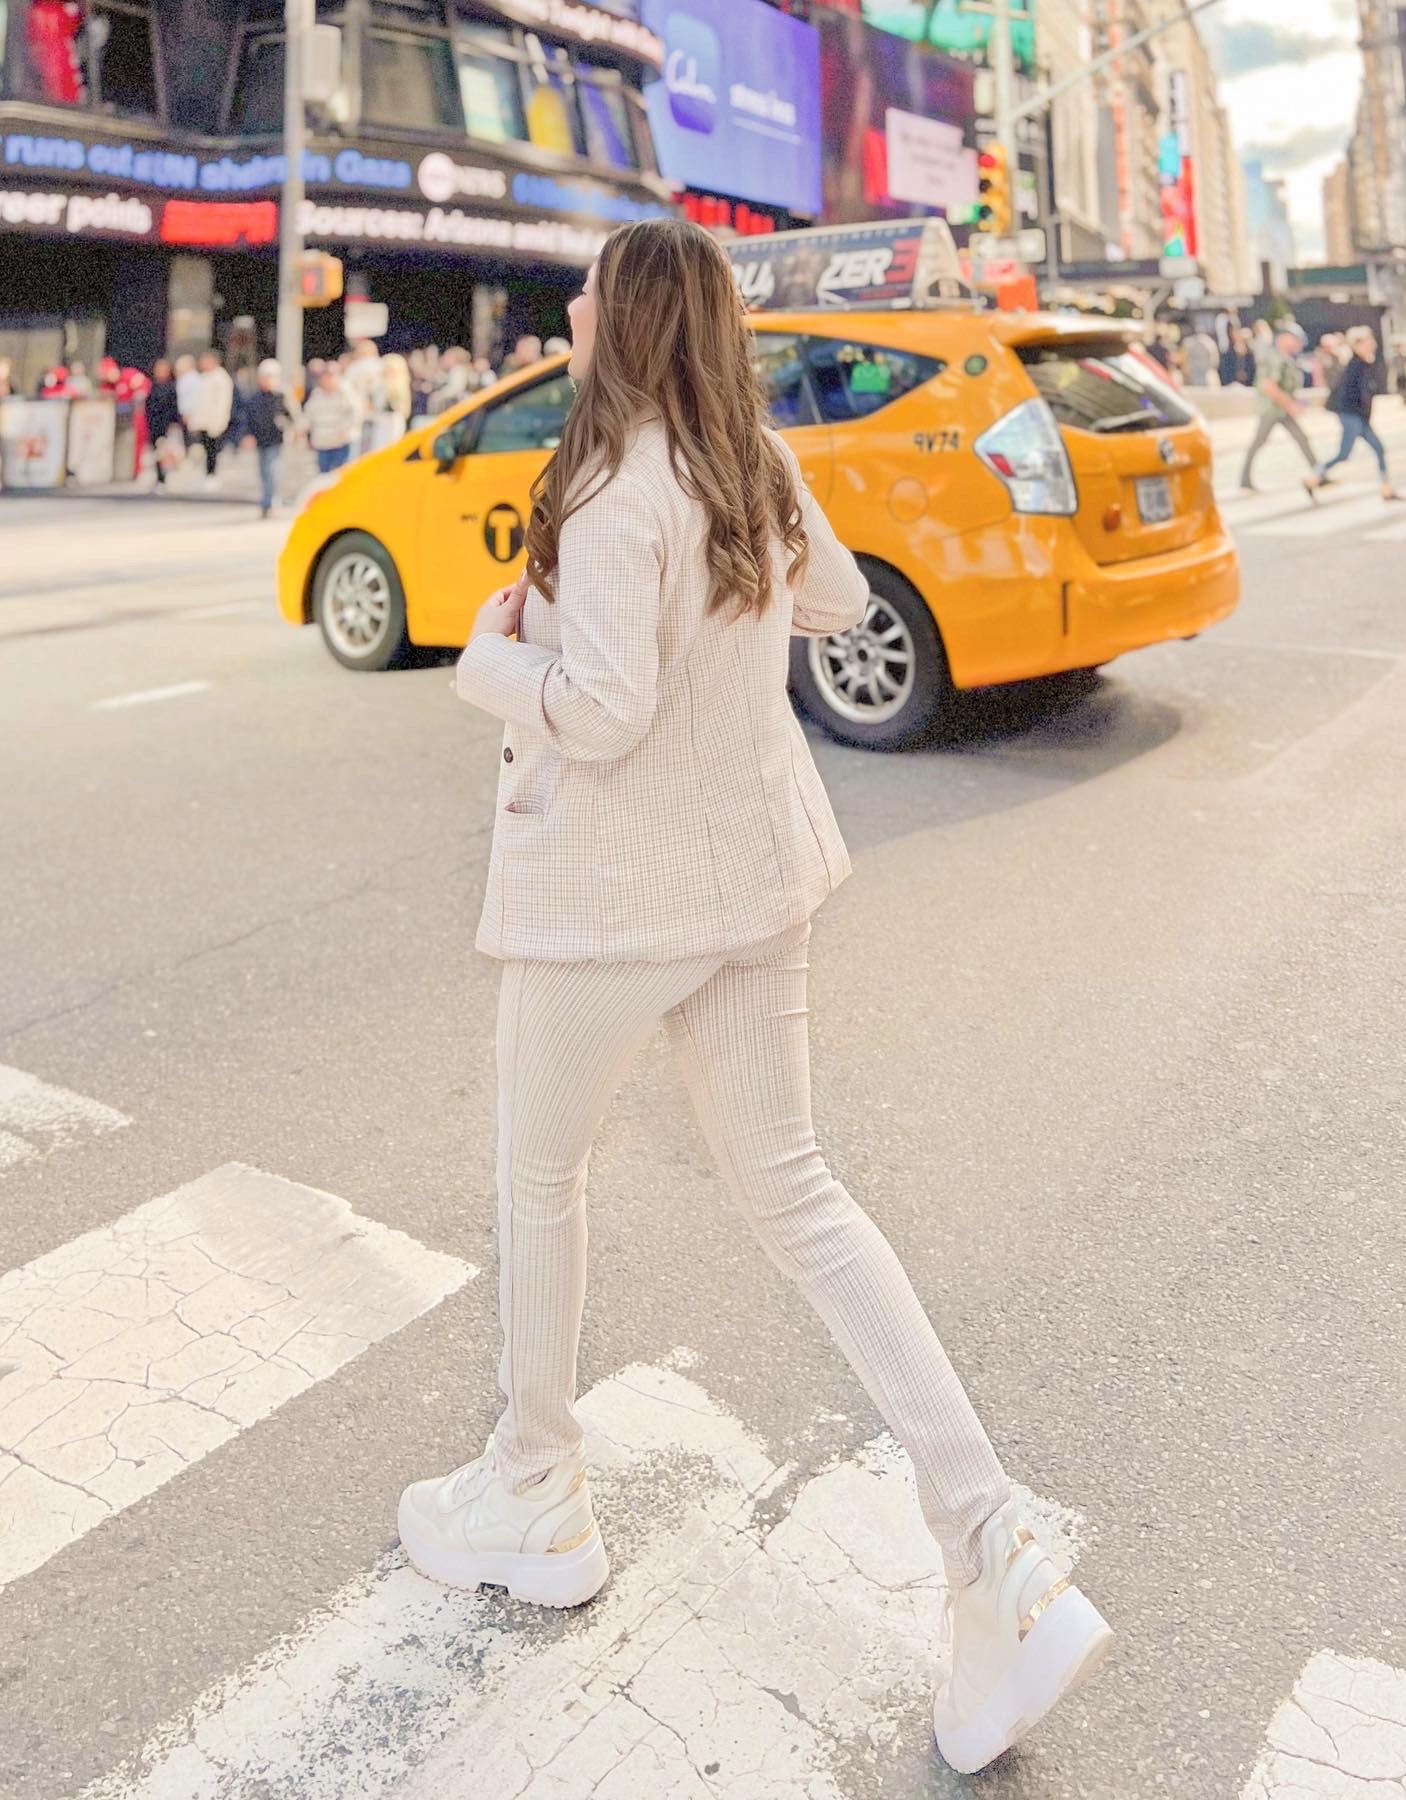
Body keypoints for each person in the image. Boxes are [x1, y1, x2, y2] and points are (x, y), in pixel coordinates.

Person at [395, 217, 1114, 1780]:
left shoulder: (605, 488)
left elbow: (599, 714)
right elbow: (838, 599)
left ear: (630, 318)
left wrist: (488, 661)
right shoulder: (750, 465)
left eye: (589, 285)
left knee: (539, 1173)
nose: (569, 299)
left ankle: (534, 1485)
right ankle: (988, 1541)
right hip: (757, 883)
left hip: (615, 904)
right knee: (800, 1195)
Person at [1305, 326, 1402, 502]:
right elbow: (1353, 395)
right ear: (1358, 345)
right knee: (1344, 454)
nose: (1372, 344)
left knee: (1377, 449)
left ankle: (1386, 488)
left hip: (1359, 417)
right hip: (1352, 416)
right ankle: (1313, 478)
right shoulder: (1355, 366)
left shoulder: (1363, 364)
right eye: (1367, 341)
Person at [1238, 320, 1317, 494]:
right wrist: (1291, 405)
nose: (1298, 344)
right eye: (1295, 339)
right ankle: (1244, 479)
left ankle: (1319, 472)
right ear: (1284, 338)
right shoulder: (1275, 357)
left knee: (1301, 438)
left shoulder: (1285, 358)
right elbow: (1269, 386)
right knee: (1259, 441)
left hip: (1281, 409)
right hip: (1272, 410)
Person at [240, 358, 298, 518]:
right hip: (260, 439)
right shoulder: (255, 397)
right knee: (264, 471)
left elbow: (293, 416)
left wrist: (289, 428)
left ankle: (271, 501)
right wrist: (247, 435)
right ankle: (266, 501)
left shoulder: (282, 395)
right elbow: (248, 418)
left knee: (272, 470)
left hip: (276, 438)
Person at [186, 350, 234, 486]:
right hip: (203, 420)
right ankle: (206, 473)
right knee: (205, 448)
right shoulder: (203, 377)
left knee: (213, 449)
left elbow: (223, 402)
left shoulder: (220, 378)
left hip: (214, 420)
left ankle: (212, 474)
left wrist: (219, 421)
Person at [303, 362, 361, 473]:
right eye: (326, 376)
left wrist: (346, 428)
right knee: (324, 476)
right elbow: (308, 415)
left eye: (332, 376)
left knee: (341, 476)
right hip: (323, 442)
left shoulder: (347, 393)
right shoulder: (317, 395)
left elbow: (356, 413)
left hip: (341, 442)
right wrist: (301, 429)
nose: (329, 379)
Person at [145, 360, 181, 486]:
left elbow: (174, 407)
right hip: (153, 423)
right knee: (156, 452)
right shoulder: (153, 386)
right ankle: (158, 476)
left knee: (165, 451)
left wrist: (173, 424)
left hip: (166, 424)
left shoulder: (171, 387)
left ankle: (164, 477)